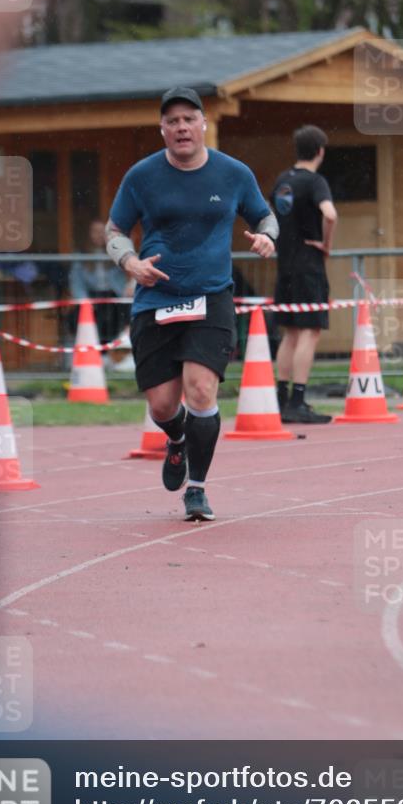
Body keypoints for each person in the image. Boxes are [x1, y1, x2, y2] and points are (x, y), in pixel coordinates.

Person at [104, 86, 278, 521]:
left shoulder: (233, 173)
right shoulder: (141, 176)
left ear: (203, 124)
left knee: (201, 389)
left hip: (210, 296)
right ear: (162, 130)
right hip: (155, 299)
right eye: (172, 121)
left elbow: (265, 215)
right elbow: (114, 230)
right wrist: (130, 261)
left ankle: (197, 488)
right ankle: (177, 439)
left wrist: (267, 237)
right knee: (162, 405)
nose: (181, 127)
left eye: (189, 119)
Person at [271, 125, 338, 424]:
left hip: (284, 262)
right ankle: (298, 401)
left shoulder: (282, 181)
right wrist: (326, 244)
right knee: (310, 333)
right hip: (309, 264)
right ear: (320, 151)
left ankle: (280, 398)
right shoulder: (315, 181)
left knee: (291, 333)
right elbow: (330, 214)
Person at [69, 218, 134, 345]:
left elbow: (131, 270)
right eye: (95, 231)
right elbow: (76, 282)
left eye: (102, 231)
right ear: (89, 234)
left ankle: (114, 347)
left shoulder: (116, 252)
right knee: (83, 316)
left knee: (117, 315)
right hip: (92, 294)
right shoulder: (81, 255)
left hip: (114, 294)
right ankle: (96, 349)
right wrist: (84, 300)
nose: (98, 235)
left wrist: (129, 286)